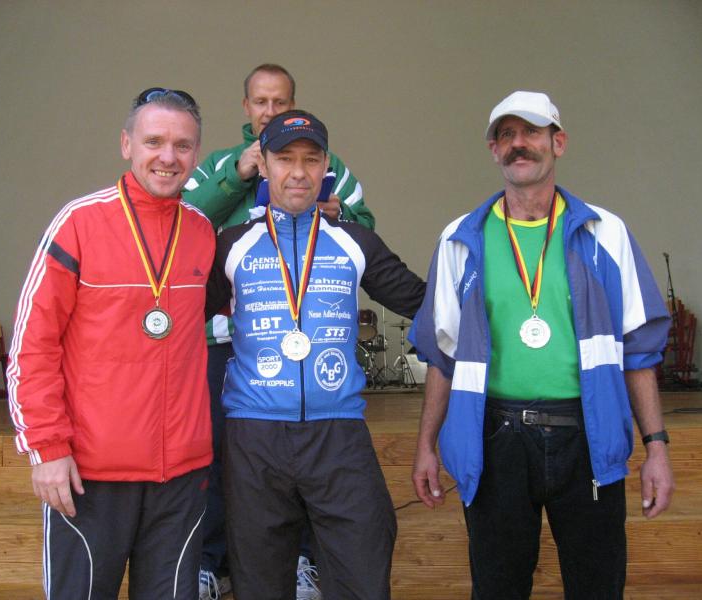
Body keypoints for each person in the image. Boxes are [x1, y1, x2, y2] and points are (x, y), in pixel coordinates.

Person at [410, 90, 675, 599]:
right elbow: (443, 356)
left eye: (531, 131)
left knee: (597, 588)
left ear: (559, 142)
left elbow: (638, 352)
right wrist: (425, 445)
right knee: (497, 589)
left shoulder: (605, 232)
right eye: (506, 134)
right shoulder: (460, 239)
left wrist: (656, 447)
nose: (519, 144)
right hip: (497, 439)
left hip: (589, 436)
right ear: (493, 150)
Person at [204, 109, 425, 600]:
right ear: (263, 165)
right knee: (260, 583)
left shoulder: (354, 241)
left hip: (338, 433)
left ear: (326, 165)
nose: (298, 172)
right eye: (285, 158)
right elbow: (178, 315)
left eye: (310, 159)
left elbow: (424, 302)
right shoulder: (231, 245)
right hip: (254, 436)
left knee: (363, 572)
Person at [6, 88, 215, 599]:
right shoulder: (79, 222)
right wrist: (47, 448)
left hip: (181, 477)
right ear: (126, 144)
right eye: (154, 141)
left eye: (183, 145)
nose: (168, 157)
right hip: (89, 474)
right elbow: (32, 345)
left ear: (196, 155)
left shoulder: (202, 232)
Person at [182, 63, 375, 600]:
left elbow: (366, 231)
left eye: (280, 101)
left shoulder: (327, 163)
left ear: (293, 103)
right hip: (221, 340)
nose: (270, 111)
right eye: (261, 102)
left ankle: (305, 562)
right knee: (217, 453)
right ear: (246, 108)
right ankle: (211, 561)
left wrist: (335, 210)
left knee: (310, 459)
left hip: (304, 342)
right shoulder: (220, 164)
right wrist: (237, 176)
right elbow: (183, 220)